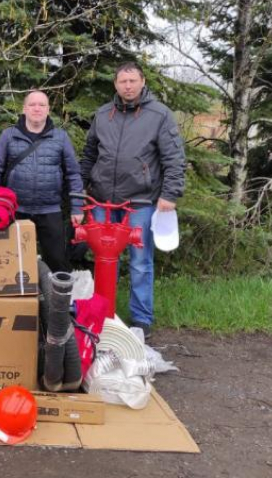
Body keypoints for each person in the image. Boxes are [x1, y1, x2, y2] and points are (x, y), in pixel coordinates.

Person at [80, 61, 186, 339]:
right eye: (122, 81)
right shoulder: (104, 114)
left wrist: (170, 194)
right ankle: (104, 315)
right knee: (104, 260)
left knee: (140, 262)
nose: (127, 86)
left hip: (140, 202)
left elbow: (174, 158)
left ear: (142, 82)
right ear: (115, 84)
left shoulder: (159, 115)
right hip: (102, 201)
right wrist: (80, 192)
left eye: (132, 81)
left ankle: (141, 319)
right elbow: (89, 155)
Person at [0, 90, 84, 273]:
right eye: (32, 105)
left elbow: (73, 173)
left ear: (48, 109)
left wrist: (77, 206)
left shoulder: (60, 137)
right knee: (12, 261)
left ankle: (58, 300)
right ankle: (16, 300)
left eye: (41, 105)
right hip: (15, 210)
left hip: (50, 209)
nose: (36, 109)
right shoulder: (9, 135)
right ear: (24, 109)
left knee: (57, 262)